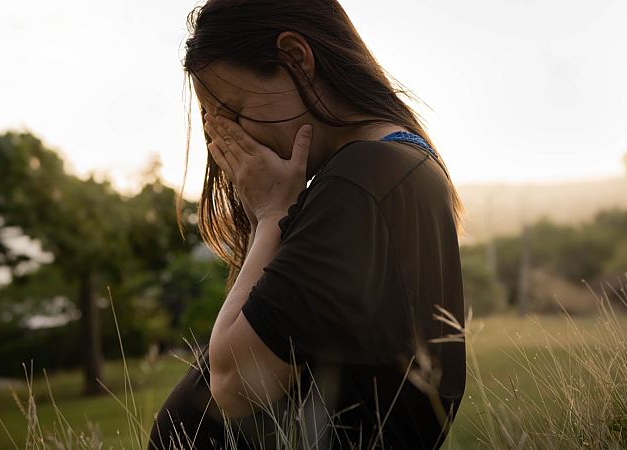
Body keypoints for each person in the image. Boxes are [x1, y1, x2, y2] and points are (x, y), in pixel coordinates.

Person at [148, 1, 467, 448]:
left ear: (296, 58)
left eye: (236, 113)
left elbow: (235, 383)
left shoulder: (363, 178)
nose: (234, 141)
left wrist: (271, 215)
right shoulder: (396, 166)